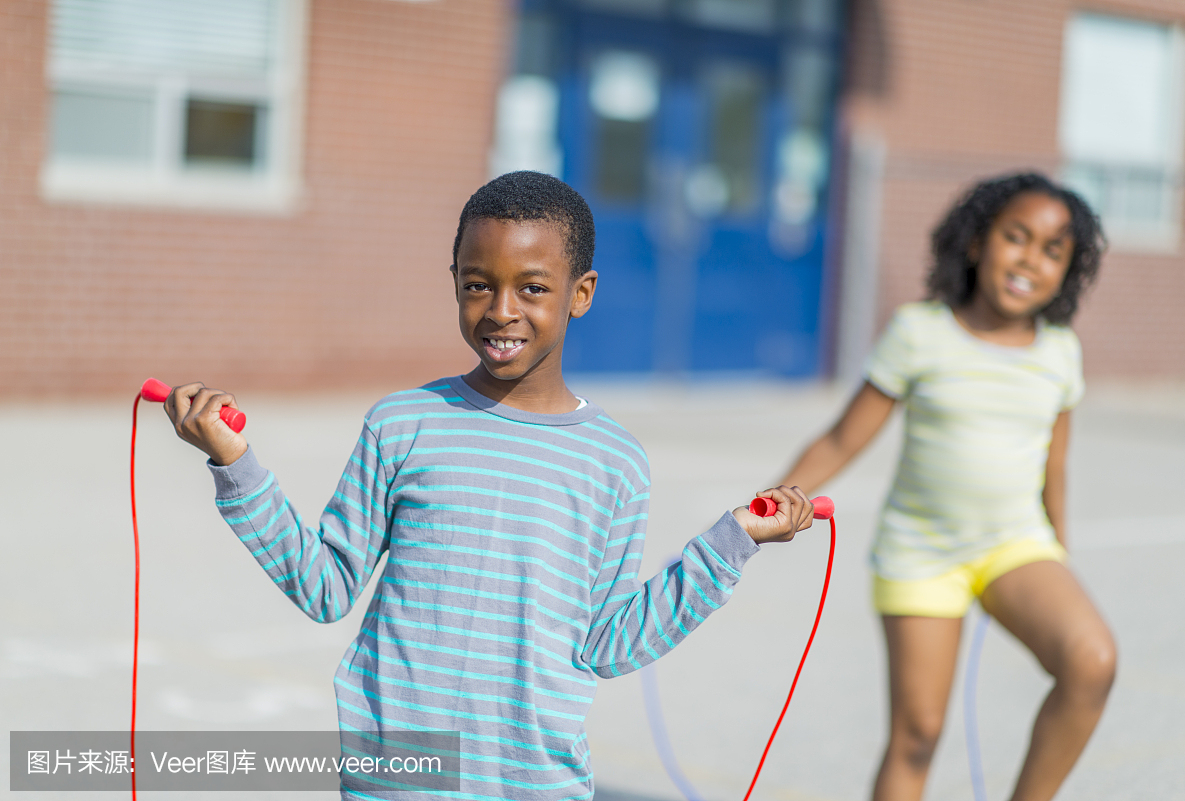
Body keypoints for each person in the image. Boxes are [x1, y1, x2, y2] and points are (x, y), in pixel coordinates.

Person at [164, 171, 815, 800]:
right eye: (479, 285)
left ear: (580, 293)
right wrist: (235, 462)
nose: (501, 311)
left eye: (532, 288)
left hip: (534, 783)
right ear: (454, 283)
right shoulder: (402, 423)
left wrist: (733, 540)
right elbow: (326, 585)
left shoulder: (616, 461)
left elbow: (610, 643)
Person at [778, 173, 1116, 801]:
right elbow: (843, 440)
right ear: (975, 244)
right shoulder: (920, 331)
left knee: (1091, 661)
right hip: (921, 554)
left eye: (1051, 251)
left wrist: (1058, 555)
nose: (1029, 260)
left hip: (1016, 546)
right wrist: (769, 501)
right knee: (918, 735)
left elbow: (1055, 468)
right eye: (1015, 238)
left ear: (1068, 272)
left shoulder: (1061, 352)